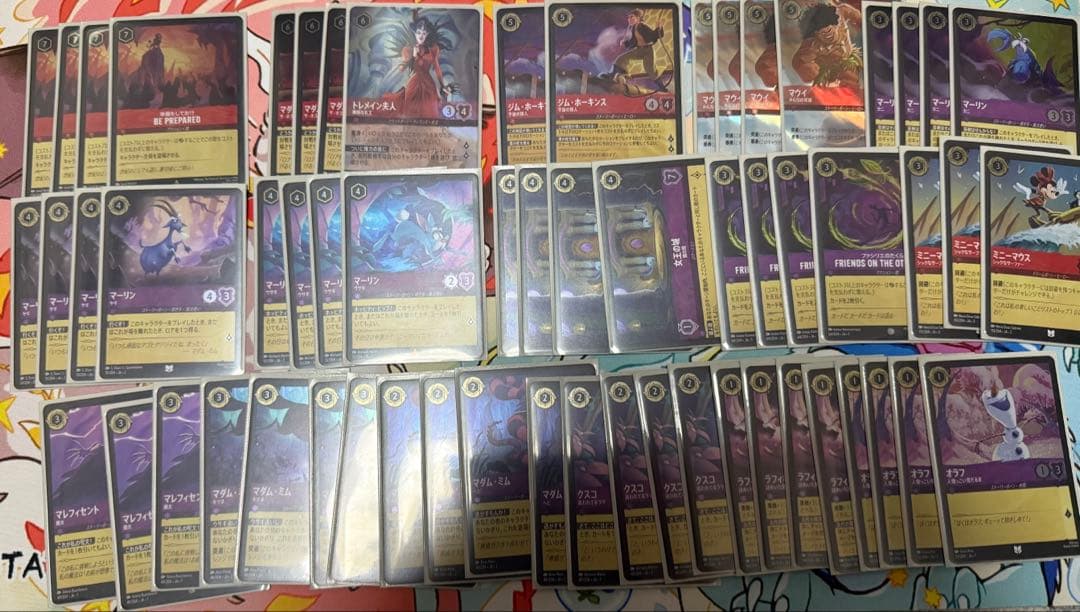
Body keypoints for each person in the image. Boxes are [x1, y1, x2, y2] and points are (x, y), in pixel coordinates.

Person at [610, 9, 666, 90]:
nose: (629, 19)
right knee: (621, 58)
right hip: (639, 50)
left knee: (651, 71)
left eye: (632, 17)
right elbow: (633, 41)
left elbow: (652, 35)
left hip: (648, 51)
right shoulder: (634, 28)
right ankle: (613, 75)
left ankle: (662, 88)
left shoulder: (642, 26)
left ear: (638, 18)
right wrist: (625, 43)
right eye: (628, 17)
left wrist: (659, 28)